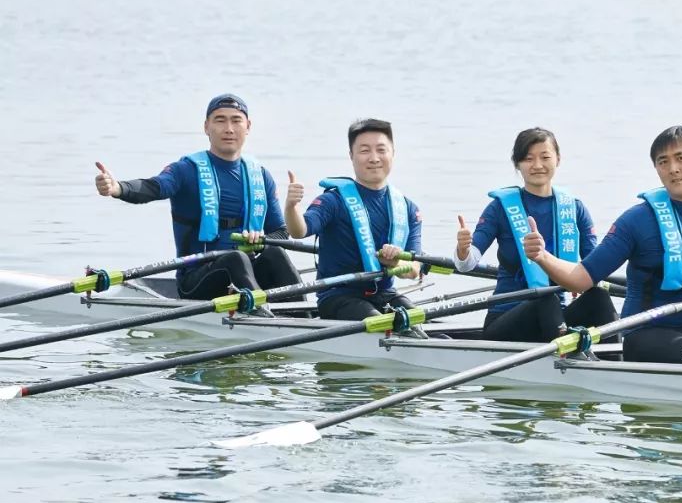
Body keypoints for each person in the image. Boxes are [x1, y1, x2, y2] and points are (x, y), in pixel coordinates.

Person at [523, 125, 682, 367]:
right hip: (646, 333)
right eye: (663, 162)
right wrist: (542, 256)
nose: (673, 168)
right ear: (657, 170)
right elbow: (580, 279)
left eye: (681, 158)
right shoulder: (637, 220)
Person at [94, 94, 300, 308]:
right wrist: (117, 188)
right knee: (235, 258)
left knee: (275, 253)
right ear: (206, 127)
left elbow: (280, 232)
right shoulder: (187, 170)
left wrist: (261, 239)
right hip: (196, 281)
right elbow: (152, 187)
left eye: (236, 120)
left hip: (244, 277)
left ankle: (308, 318)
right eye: (220, 120)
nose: (229, 128)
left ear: (248, 126)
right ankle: (266, 315)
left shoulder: (260, 175)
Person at [453, 127, 617, 343]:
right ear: (517, 164)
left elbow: (594, 267)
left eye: (545, 157)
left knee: (599, 297)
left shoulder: (574, 209)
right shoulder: (500, 208)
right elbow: (467, 263)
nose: (537, 165)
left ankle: (616, 359)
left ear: (558, 159)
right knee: (544, 296)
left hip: (555, 317)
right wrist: (463, 250)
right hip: (506, 319)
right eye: (528, 159)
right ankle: (567, 361)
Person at [284, 119, 422, 320]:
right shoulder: (333, 201)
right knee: (379, 322)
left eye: (381, 150)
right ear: (352, 156)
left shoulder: (408, 209)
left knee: (417, 318)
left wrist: (395, 262)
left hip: (385, 295)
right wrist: (291, 206)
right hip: (338, 297)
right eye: (365, 151)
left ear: (393, 153)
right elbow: (299, 230)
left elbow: (414, 270)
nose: (374, 158)